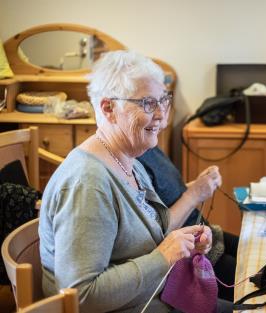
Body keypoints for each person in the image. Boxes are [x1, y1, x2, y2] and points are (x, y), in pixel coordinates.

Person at [39, 50, 231, 313]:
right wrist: (164, 256)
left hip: (156, 296)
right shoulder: (87, 184)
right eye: (148, 104)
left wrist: (184, 240)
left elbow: (149, 231)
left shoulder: (128, 161)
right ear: (109, 108)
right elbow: (79, 296)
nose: (162, 115)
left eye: (163, 100)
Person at [137, 147, 239, 302]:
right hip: (188, 256)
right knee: (256, 277)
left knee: (256, 251)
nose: (161, 121)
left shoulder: (151, 145)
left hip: (204, 235)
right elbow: (155, 230)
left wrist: (199, 185)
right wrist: (195, 194)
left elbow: (166, 196)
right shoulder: (133, 160)